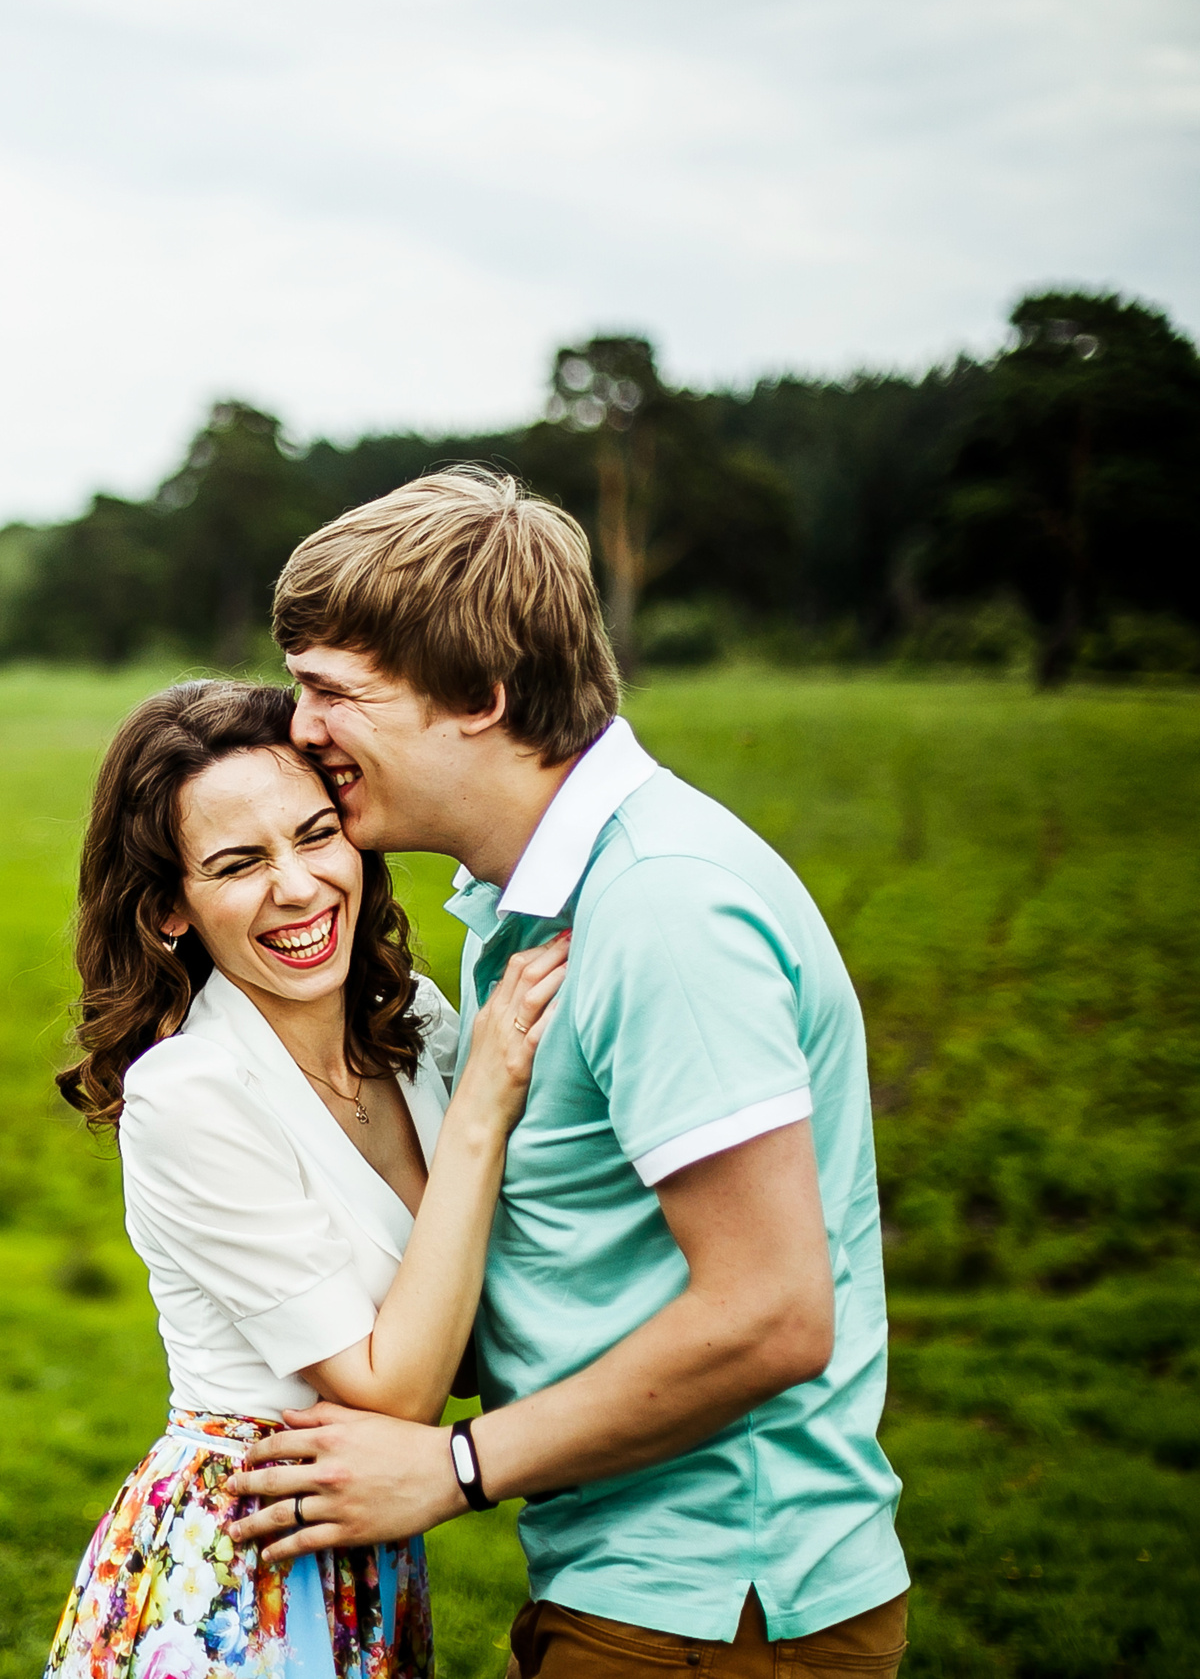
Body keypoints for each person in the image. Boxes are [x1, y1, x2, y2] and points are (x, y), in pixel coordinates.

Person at [225, 469, 909, 1678]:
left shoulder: (658, 908)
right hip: (637, 1586)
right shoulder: (531, 903)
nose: (301, 728)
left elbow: (774, 1311)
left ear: (481, 697)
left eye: (333, 691)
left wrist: (454, 1466)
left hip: (718, 1603)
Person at [45, 678, 571, 1679]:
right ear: (167, 911)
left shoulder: (413, 1026)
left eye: (316, 834)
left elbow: (469, 1334)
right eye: (238, 864)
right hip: (236, 1566)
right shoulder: (189, 1095)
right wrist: (481, 1117)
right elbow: (400, 1388)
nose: (297, 887)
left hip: (368, 1551)